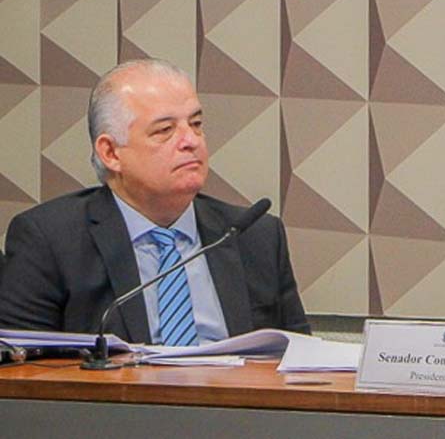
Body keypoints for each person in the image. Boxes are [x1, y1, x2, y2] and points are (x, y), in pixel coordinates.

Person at [0, 59, 309, 344]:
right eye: (165, 130)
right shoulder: (50, 240)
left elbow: (301, 359)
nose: (191, 141)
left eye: (196, 124)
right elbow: (23, 369)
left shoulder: (254, 236)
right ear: (111, 152)